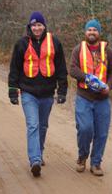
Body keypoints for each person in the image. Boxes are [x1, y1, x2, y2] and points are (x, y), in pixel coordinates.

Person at [8, 11, 68, 177]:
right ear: (30, 26)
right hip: (28, 92)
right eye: (34, 25)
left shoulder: (55, 43)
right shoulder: (21, 43)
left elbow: (62, 68)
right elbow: (14, 69)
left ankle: (39, 152)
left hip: (48, 93)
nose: (36, 28)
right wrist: (13, 91)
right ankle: (34, 160)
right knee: (33, 125)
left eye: (39, 25)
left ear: (44, 26)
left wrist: (62, 90)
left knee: (42, 126)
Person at [70, 19, 112, 176]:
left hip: (102, 99)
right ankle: (82, 157)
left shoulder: (108, 51)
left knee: (102, 133)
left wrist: (108, 86)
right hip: (84, 97)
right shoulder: (78, 49)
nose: (92, 32)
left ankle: (96, 163)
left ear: (99, 33)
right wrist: (88, 79)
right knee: (85, 129)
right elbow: (73, 69)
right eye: (89, 30)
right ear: (85, 32)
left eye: (95, 30)